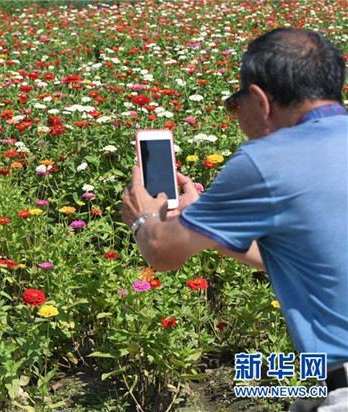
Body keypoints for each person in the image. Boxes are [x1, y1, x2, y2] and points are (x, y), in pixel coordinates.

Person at [121, 28, 347, 411]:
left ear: (259, 99)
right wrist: (206, 225)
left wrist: (142, 216)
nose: (237, 116)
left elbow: (161, 251)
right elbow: (310, 255)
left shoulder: (267, 160)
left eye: (235, 105)